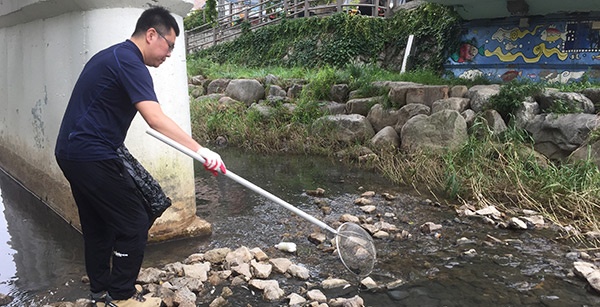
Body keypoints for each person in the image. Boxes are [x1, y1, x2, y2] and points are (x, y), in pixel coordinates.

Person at [54, 6, 226, 307]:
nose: (169, 54)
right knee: (133, 221)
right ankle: (121, 296)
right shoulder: (131, 63)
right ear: (151, 34)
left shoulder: (112, 55)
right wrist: (201, 151)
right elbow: (155, 118)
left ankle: (99, 292)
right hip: (92, 153)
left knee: (98, 224)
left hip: (72, 152)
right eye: (169, 45)